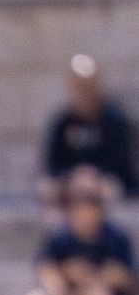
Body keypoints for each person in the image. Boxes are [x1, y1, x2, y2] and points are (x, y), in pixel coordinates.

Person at [39, 57, 135, 203]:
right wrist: (72, 176)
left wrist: (94, 175)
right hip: (72, 184)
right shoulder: (62, 123)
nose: (83, 91)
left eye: (88, 85)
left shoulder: (115, 122)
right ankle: (59, 226)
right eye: (79, 85)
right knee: (47, 189)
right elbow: (53, 163)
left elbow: (122, 164)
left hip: (108, 183)